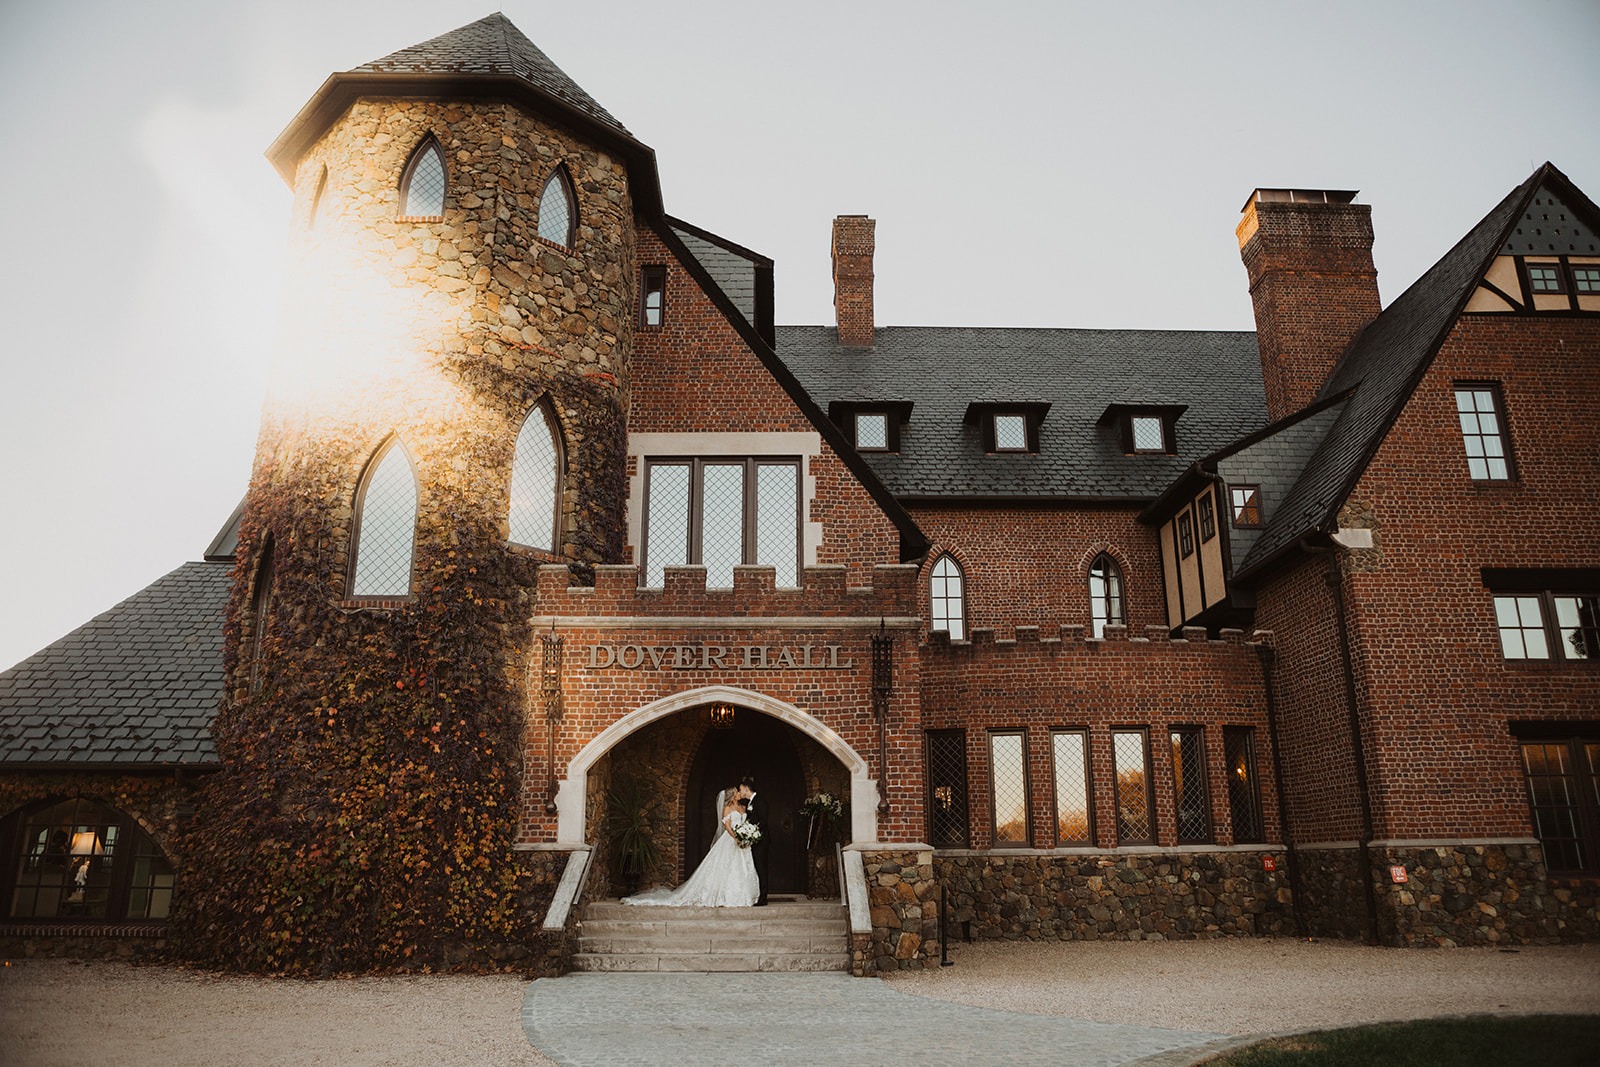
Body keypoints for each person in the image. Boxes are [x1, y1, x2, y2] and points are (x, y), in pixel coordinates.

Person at [620, 783, 758, 907]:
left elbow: (745, 823)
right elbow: (727, 826)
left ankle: (744, 896)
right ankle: (725, 895)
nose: (740, 793)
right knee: (726, 867)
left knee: (743, 867)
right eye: (738, 792)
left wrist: (746, 836)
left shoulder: (743, 807)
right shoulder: (727, 808)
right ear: (733, 795)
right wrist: (736, 837)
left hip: (742, 843)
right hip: (730, 840)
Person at [738, 776, 770, 906]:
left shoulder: (760, 801)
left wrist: (752, 832)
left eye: (741, 789)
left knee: (761, 868)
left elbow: (763, 820)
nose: (740, 792)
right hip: (755, 841)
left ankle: (763, 898)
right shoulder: (751, 802)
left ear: (746, 789)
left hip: (761, 841)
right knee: (756, 868)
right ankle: (758, 895)